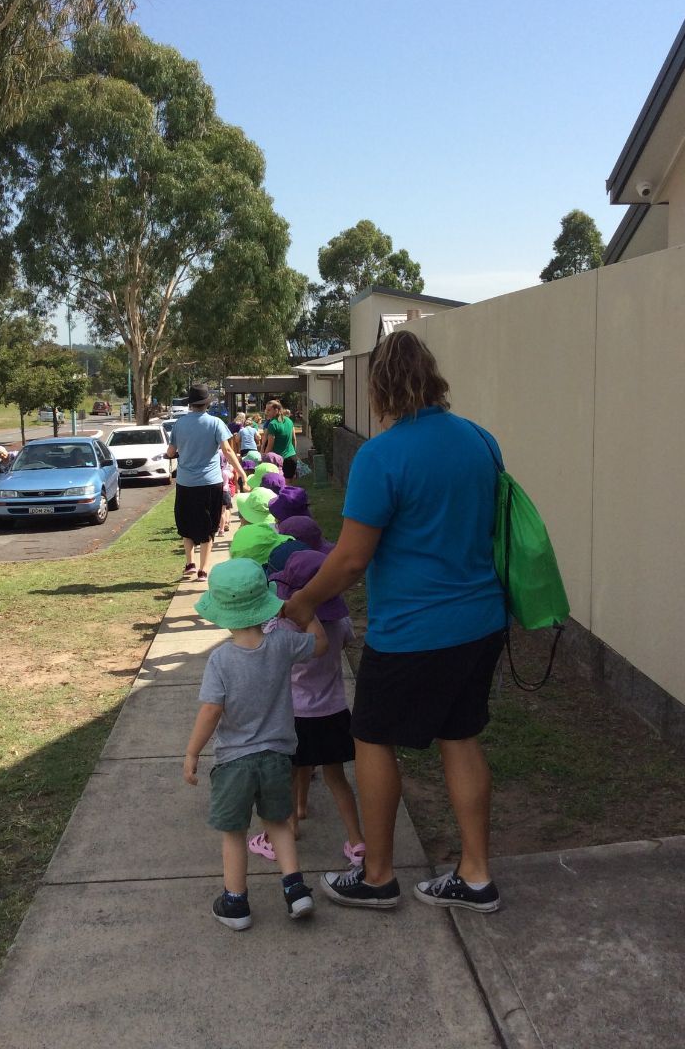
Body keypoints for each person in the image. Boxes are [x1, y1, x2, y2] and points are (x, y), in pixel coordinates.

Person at [282, 329, 507, 913]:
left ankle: (378, 875)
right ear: (434, 378)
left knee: (373, 737)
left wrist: (304, 599)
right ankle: (475, 875)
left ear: (380, 387)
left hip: (413, 630)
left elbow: (352, 559)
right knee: (461, 736)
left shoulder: (382, 455)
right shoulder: (481, 441)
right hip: (481, 620)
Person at [184, 557, 327, 930]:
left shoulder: (220, 660)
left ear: (221, 611)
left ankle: (235, 903)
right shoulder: (282, 642)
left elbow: (211, 711)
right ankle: (297, 891)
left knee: (234, 832)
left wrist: (192, 751)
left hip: (234, 762)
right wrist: (303, 612)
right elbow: (320, 645)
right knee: (279, 823)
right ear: (265, 601)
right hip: (279, 756)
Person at [247, 550, 365, 866]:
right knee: (336, 779)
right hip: (333, 712)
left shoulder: (282, 630)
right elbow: (347, 640)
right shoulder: (339, 623)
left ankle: (278, 837)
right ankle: (356, 842)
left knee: (286, 779)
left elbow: (264, 655)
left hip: (293, 716)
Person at [167, 384, 247, 581]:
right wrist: (241, 472)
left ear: (190, 404)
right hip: (210, 482)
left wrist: (175, 453)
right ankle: (203, 570)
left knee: (186, 523)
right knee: (208, 524)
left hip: (186, 483)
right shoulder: (216, 423)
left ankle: (189, 564)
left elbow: (170, 452)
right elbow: (227, 451)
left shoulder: (179, 424)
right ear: (207, 405)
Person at [260, 400, 298, 479]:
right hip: (291, 457)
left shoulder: (273, 424)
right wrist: (294, 453)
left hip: (278, 460)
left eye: (269, 410)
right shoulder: (289, 421)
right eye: (266, 410)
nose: (266, 412)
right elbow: (294, 439)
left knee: (278, 485)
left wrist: (264, 459)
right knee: (289, 485)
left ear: (276, 410)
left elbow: (270, 445)